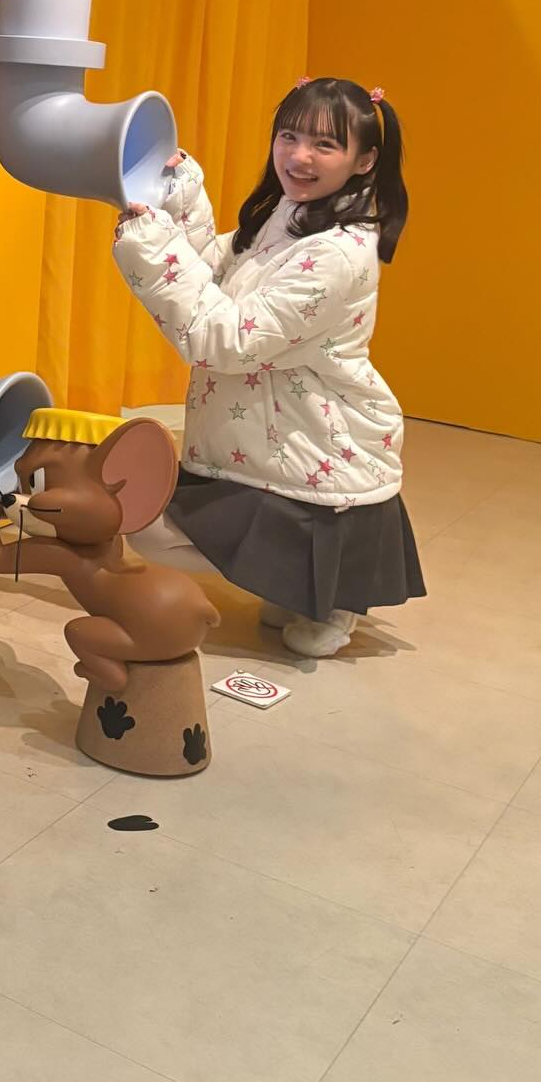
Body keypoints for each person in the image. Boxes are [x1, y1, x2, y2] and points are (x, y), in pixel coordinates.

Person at [112, 76, 424, 658]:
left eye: (325, 144)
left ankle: (332, 602)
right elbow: (213, 272)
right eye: (289, 136)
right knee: (158, 529)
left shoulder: (337, 253)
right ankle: (295, 589)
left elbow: (227, 339)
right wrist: (178, 200)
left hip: (319, 442)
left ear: (365, 160)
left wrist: (150, 249)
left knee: (160, 528)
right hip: (261, 436)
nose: (299, 156)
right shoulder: (289, 215)